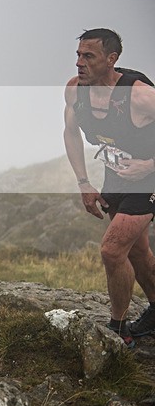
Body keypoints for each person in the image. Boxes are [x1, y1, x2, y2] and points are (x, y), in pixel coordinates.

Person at [63, 28, 155, 347]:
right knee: (139, 251)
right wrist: (83, 181)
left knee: (112, 250)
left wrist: (150, 164)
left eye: (89, 56)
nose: (79, 62)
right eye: (78, 55)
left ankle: (118, 329)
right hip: (114, 177)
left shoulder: (140, 95)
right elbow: (71, 132)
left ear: (111, 59)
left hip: (148, 180)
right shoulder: (76, 91)